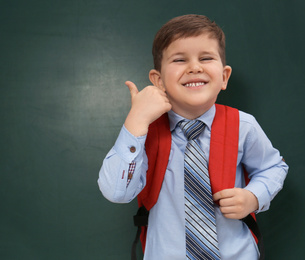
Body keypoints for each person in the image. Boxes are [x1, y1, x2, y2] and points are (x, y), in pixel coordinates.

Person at [98, 14, 288, 260]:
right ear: (158, 80)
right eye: (179, 59)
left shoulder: (243, 126)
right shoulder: (144, 132)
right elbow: (117, 192)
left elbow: (273, 167)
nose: (194, 67)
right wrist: (135, 121)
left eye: (206, 58)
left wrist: (254, 197)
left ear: (224, 77)